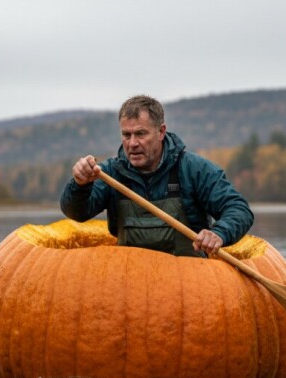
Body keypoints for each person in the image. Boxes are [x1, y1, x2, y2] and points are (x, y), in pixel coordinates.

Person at [60, 95, 253, 257]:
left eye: (141, 134)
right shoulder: (109, 173)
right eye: (126, 135)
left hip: (188, 283)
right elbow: (77, 213)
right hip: (128, 281)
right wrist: (80, 184)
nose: (132, 143)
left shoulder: (193, 169)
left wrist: (219, 233)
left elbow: (239, 210)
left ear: (161, 132)